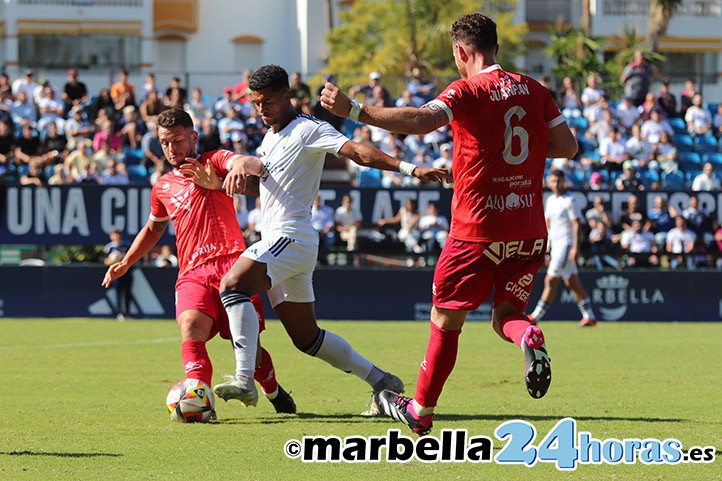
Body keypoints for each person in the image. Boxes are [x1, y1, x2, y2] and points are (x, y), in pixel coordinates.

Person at [320, 13, 577, 435]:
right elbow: (568, 147)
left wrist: (356, 110)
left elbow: (422, 122)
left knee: (445, 319)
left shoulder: (467, 90)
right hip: (529, 229)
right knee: (508, 314)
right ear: (497, 47)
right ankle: (528, 338)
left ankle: (420, 409)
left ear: (461, 51)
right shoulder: (536, 90)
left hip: (476, 230)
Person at [189, 65, 448, 414]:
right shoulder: (269, 138)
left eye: (267, 102)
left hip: (291, 236)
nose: (261, 110)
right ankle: (382, 381)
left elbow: (358, 151)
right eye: (255, 104)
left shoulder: (309, 129)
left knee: (232, 284)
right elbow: (260, 187)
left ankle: (243, 380)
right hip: (288, 244)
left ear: (287, 96)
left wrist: (411, 169)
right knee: (307, 339)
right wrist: (218, 184)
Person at [101, 108, 296, 415]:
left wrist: (236, 169)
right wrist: (127, 261)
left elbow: (243, 163)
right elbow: (154, 228)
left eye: (177, 141)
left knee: (249, 350)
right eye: (165, 143)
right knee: (191, 326)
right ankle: (199, 396)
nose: (171, 149)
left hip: (234, 266)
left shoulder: (214, 161)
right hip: (192, 271)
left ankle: (272, 390)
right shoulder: (162, 186)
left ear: (192, 137)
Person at [529, 170, 597, 327]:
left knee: (550, 279)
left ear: (563, 181)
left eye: (558, 181)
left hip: (566, 244)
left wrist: (575, 246)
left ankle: (536, 316)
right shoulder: (551, 200)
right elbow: (548, 224)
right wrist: (547, 243)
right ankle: (589, 316)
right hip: (555, 245)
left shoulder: (570, 200)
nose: (555, 184)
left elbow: (576, 224)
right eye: (552, 181)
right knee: (572, 281)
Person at [104, 229, 133, 321]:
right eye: (114, 235)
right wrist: (112, 260)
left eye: (118, 235)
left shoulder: (126, 245)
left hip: (127, 272)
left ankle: (128, 313)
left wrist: (122, 256)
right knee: (118, 293)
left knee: (128, 293)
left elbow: (132, 257)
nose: (116, 237)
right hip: (116, 274)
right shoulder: (109, 247)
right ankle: (119, 313)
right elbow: (106, 261)